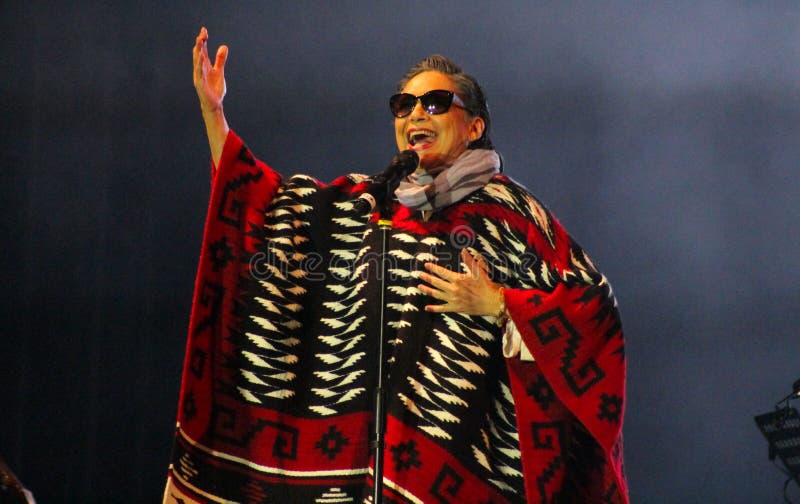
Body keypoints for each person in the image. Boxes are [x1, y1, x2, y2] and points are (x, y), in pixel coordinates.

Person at [163, 27, 628, 503]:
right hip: (365, 474)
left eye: (434, 103)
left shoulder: (510, 215)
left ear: (474, 126)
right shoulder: (373, 202)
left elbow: (593, 309)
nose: (415, 115)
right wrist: (213, 112)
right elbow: (266, 204)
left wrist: (503, 303)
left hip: (465, 469)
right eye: (403, 106)